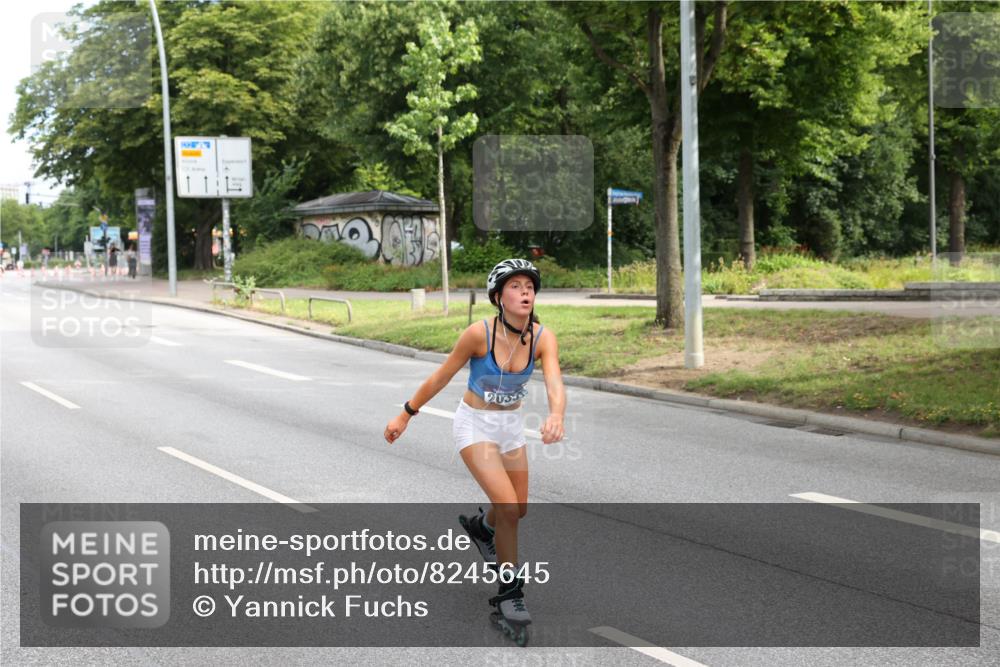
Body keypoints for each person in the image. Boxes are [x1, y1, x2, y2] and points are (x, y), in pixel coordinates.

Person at [383, 258, 566, 637]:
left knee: (519, 509)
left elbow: (554, 382)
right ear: (498, 297)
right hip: (475, 424)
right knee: (508, 508)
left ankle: (482, 529)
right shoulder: (478, 334)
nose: (525, 292)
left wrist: (557, 415)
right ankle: (510, 594)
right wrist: (406, 413)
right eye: (515, 286)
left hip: (510, 427)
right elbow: (441, 376)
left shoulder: (543, 337)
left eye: (529, 287)